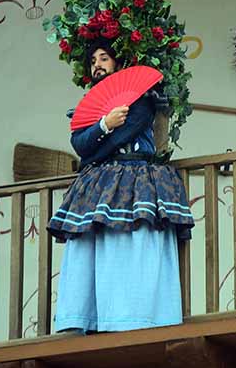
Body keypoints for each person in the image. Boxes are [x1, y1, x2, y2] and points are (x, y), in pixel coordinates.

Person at [47, 39, 193, 332]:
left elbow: (124, 133)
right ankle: (92, 315)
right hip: (101, 180)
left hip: (135, 175)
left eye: (104, 58)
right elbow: (79, 143)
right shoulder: (90, 107)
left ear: (117, 62)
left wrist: (95, 149)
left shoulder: (140, 98)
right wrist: (104, 124)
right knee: (95, 239)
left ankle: (135, 312)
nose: (98, 65)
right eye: (93, 61)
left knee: (134, 237)